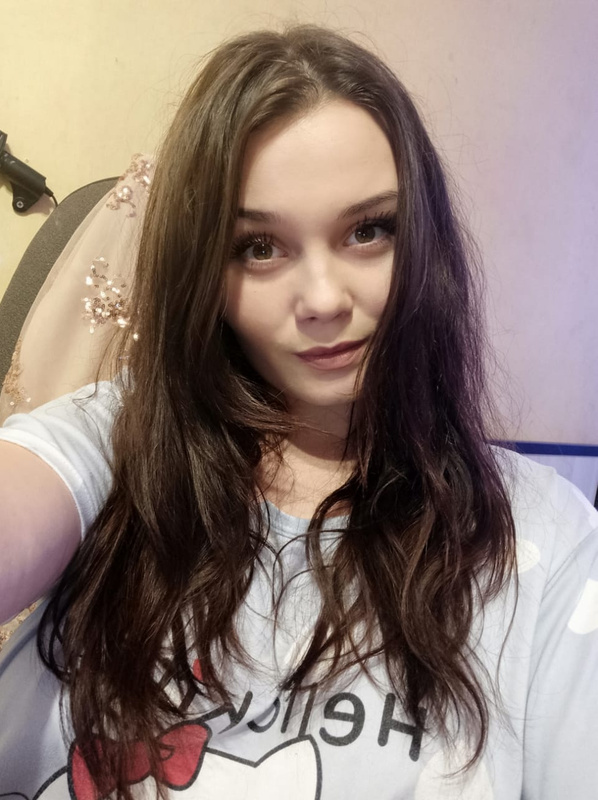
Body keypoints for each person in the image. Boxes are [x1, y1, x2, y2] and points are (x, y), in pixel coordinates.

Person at [0, 21, 597, 800]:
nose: (322, 300)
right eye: (260, 247)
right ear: (204, 271)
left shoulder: (541, 538)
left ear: (423, 240)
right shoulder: (118, 439)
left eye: (368, 231)